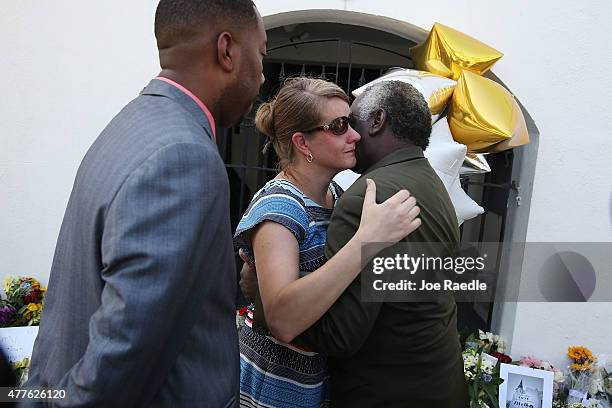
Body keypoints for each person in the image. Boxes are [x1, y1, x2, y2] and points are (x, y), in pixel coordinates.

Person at [25, 1, 267, 406]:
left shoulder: (132, 122)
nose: (261, 78)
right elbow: (121, 356)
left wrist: (232, 284)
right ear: (227, 51)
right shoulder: (183, 155)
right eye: (261, 55)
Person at [234, 77, 422, 407]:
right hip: (275, 387)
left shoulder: (334, 196)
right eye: (338, 126)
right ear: (303, 144)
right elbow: (282, 320)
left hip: (316, 379)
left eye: (350, 122)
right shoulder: (279, 206)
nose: (355, 135)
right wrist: (367, 241)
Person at [290, 80, 469, 407]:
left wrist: (266, 305)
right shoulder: (430, 183)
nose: (351, 136)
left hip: (386, 393)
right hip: (440, 383)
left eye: (351, 123)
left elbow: (339, 335)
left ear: (377, 120)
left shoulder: (368, 198)